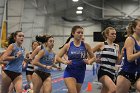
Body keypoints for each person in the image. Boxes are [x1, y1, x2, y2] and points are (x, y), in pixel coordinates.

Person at [56, 25, 95, 93]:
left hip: (81, 73)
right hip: (70, 72)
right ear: (73, 33)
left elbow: (93, 57)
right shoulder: (68, 45)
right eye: (78, 32)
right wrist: (65, 62)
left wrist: (89, 62)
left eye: (82, 33)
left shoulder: (86, 46)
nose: (80, 34)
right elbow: (57, 57)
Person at [92, 27, 123, 93]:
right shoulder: (102, 44)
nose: (114, 35)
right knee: (114, 89)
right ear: (106, 35)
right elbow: (89, 52)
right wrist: (94, 59)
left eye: (115, 34)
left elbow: (118, 61)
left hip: (112, 72)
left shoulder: (116, 46)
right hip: (103, 71)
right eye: (112, 34)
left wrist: (122, 54)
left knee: (105, 90)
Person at [116, 19, 140, 93]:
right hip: (126, 73)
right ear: (134, 28)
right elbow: (129, 58)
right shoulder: (130, 39)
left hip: (138, 73)